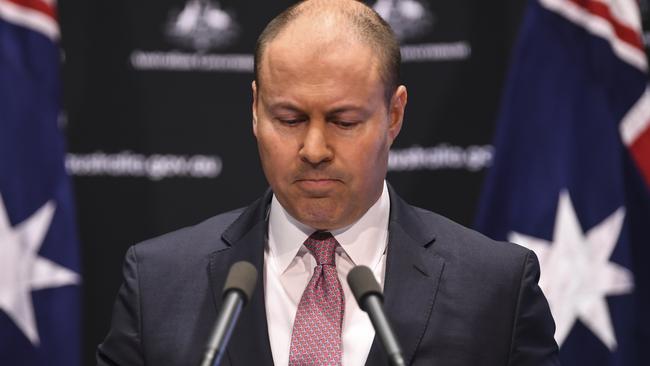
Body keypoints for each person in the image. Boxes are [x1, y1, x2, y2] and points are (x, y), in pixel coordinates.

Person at [97, 0, 559, 365]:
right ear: (256, 109)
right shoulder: (160, 283)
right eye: (290, 118)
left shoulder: (494, 288)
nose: (314, 149)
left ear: (394, 114)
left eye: (343, 121)